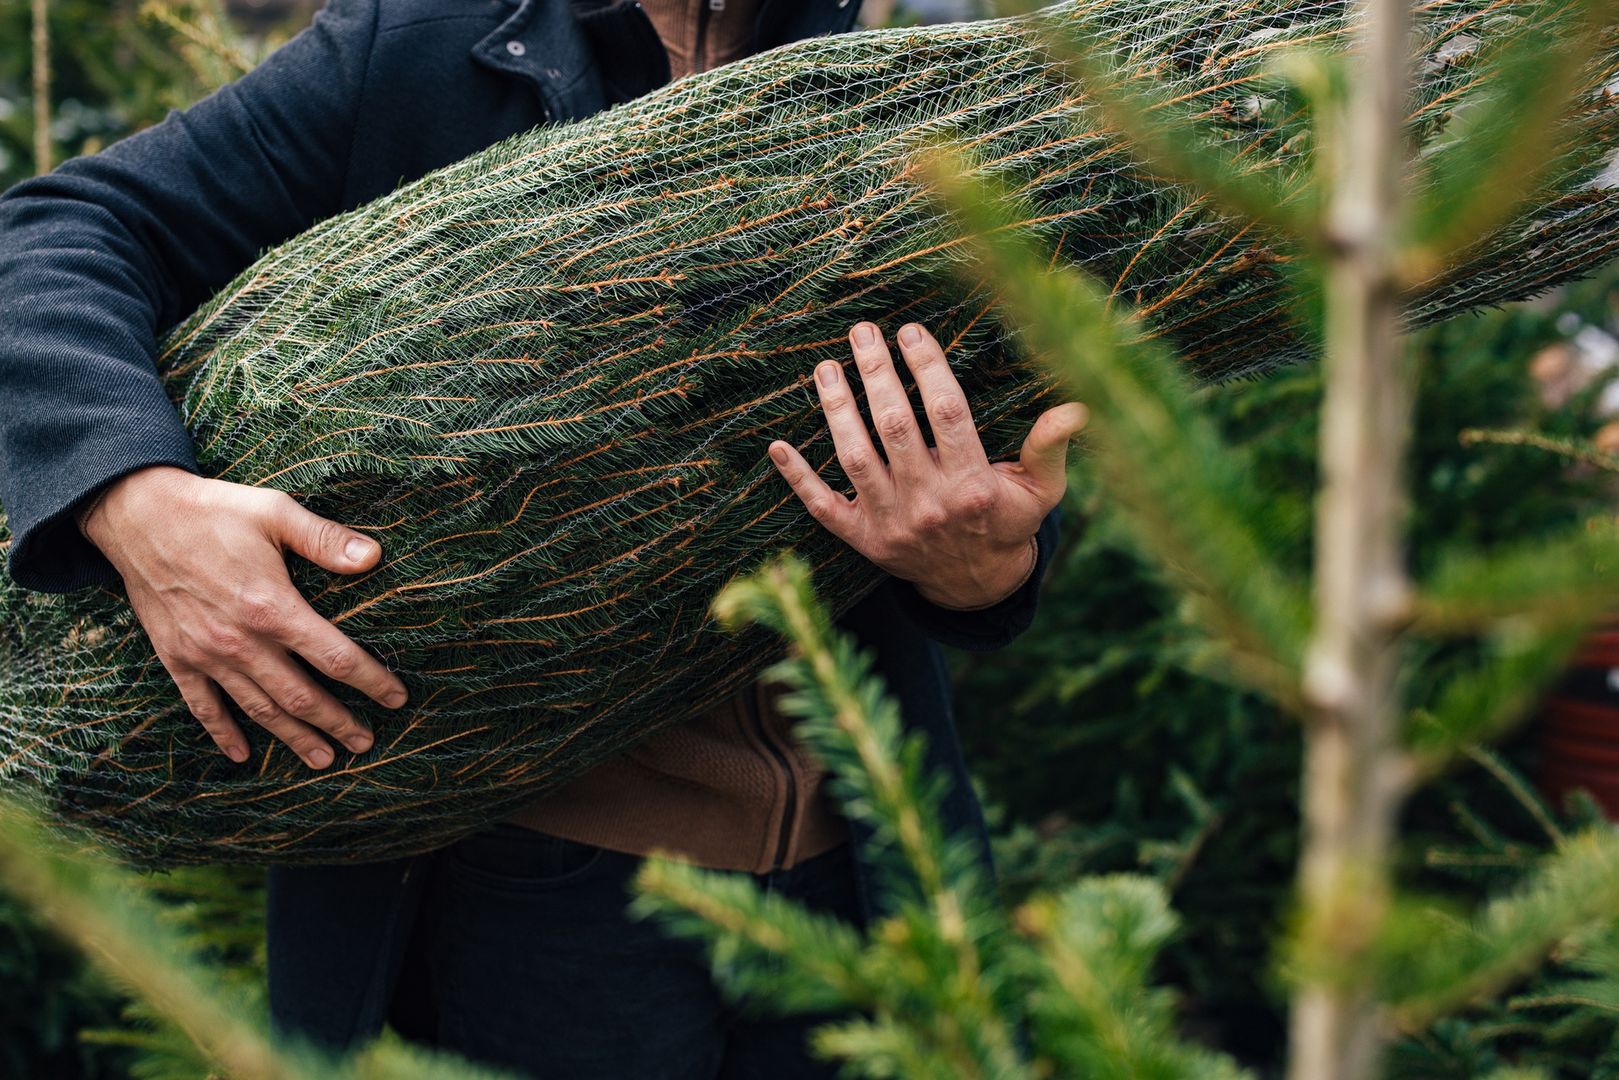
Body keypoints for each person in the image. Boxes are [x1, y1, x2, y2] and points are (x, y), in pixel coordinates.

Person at [0, 2, 1082, 1076]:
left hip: (872, 873)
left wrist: (986, 572)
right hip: (535, 900)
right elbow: (51, 234)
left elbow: (1005, 429)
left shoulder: (909, 64)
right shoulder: (425, 47)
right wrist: (131, 494)